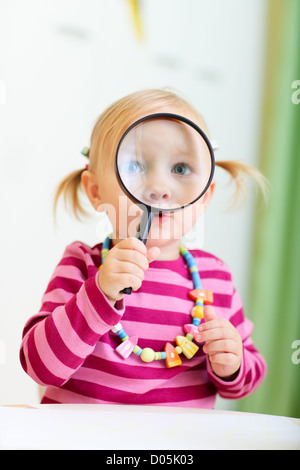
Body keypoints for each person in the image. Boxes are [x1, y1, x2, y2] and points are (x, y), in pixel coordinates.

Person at [20, 89, 267, 406]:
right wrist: (101, 293)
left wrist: (233, 365)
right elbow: (40, 367)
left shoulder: (215, 277)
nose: (158, 189)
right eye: (135, 167)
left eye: (180, 169)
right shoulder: (81, 265)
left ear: (205, 196)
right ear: (95, 191)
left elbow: (243, 384)